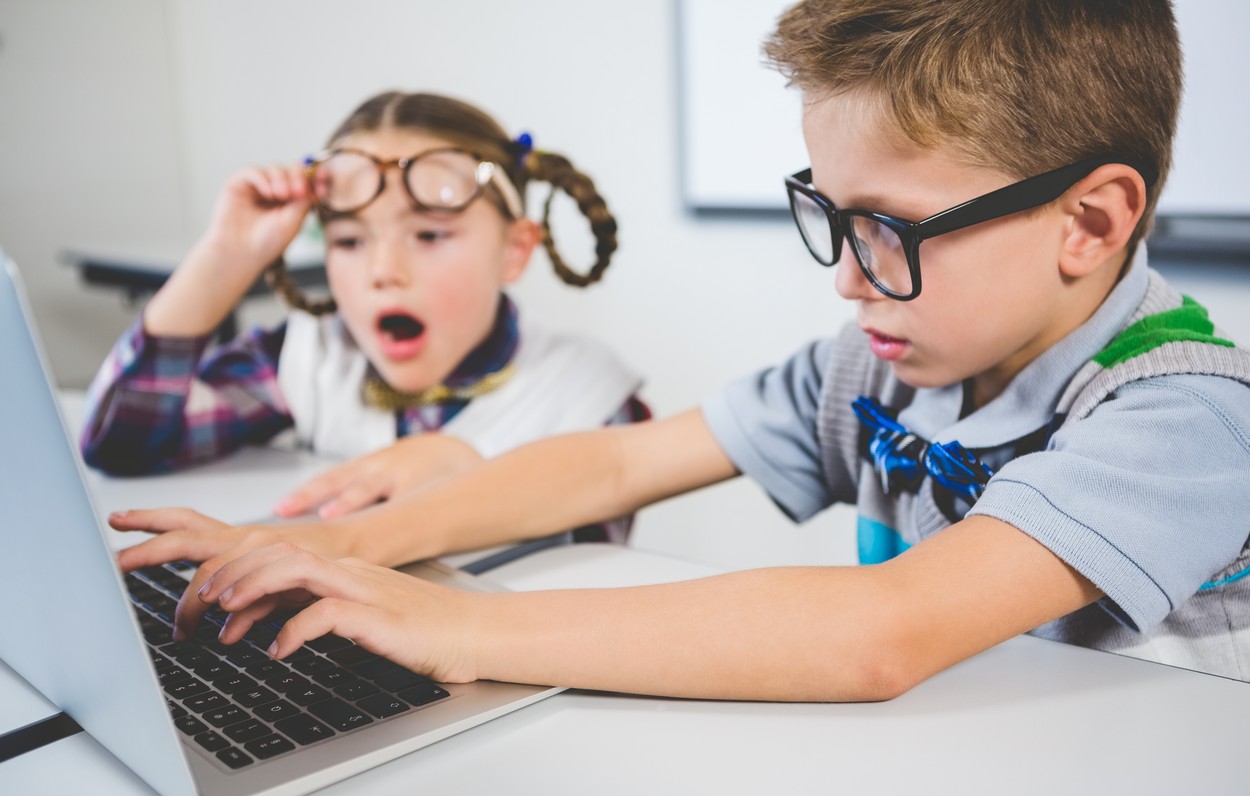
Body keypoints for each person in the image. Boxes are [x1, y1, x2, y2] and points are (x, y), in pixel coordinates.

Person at [113, 0, 1250, 701]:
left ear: (1089, 223)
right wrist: (332, 544)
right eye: (831, 216)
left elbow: (879, 632)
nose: (845, 276)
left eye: (889, 231)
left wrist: (460, 623)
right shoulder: (877, 361)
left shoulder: (1184, 419)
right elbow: (612, 466)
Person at [80, 90, 648, 533]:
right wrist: (225, 257)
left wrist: (468, 476)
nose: (383, 271)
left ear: (515, 250)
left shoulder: (588, 396)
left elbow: (582, 577)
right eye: (349, 241)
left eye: (428, 235)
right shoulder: (306, 359)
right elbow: (119, 445)